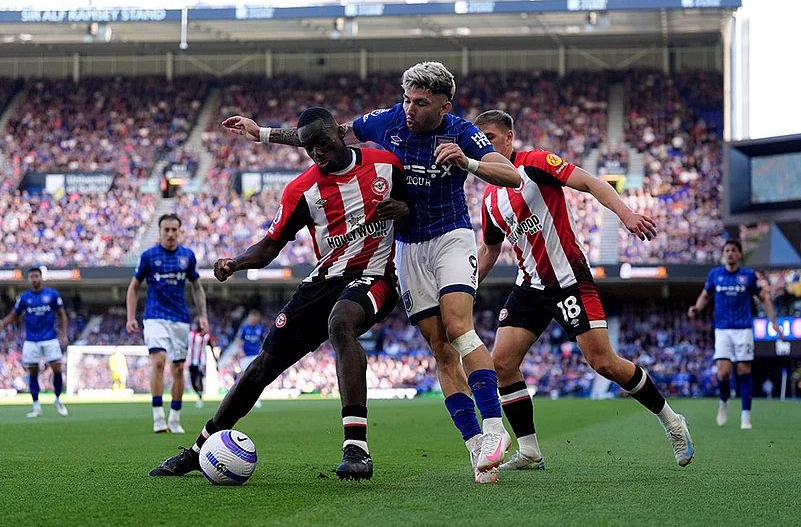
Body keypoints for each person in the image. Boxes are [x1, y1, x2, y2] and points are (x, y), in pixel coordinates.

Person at [223, 62, 522, 483]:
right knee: (440, 349)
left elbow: (511, 175)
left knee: (458, 327)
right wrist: (264, 134)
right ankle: (476, 447)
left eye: (421, 103)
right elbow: (329, 133)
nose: (411, 109)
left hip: (451, 236)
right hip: (408, 247)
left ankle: (493, 428)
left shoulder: (461, 132)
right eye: (408, 99)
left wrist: (467, 161)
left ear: (444, 106)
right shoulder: (386, 121)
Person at [149, 107, 409, 481]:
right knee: (260, 368)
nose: (316, 152)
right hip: (322, 283)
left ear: (339, 133)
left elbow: (417, 210)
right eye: (309, 147)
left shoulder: (386, 165)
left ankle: (356, 447)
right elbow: (270, 247)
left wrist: (403, 209)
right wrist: (236, 262)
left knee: (341, 323)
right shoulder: (302, 190)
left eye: (321, 143)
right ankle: (198, 449)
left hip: (375, 276)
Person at [474, 110, 695, 469]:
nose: (484, 146)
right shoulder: (488, 198)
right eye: (479, 140)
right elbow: (490, 250)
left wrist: (626, 214)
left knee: (603, 363)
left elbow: (591, 183)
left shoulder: (535, 163)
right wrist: (465, 287)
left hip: (569, 280)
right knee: (502, 363)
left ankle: (672, 421)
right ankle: (529, 451)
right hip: (529, 286)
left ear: (510, 137)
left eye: (491, 138)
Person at [126, 214, 209, 434]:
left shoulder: (188, 256)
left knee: (178, 368)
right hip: (154, 316)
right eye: (166, 230)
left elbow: (197, 287)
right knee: (158, 362)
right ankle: (158, 417)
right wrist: (130, 317)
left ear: (179, 232)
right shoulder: (148, 256)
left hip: (180, 318)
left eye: (174, 230)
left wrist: (203, 315)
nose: (170, 234)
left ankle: (174, 418)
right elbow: (134, 286)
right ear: (160, 231)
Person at [688, 239, 782, 430]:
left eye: (733, 250)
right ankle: (723, 403)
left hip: (743, 329)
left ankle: (745, 416)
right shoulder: (715, 274)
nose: (730, 253)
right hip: (722, 329)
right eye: (727, 250)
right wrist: (697, 307)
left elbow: (763, 298)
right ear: (724, 254)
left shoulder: (748, 276)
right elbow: (705, 295)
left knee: (744, 370)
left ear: (739, 254)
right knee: (723, 372)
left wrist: (773, 321)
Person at [0, 267, 69, 418]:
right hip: (31, 340)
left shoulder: (52, 294)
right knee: (33, 371)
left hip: (50, 338)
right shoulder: (24, 298)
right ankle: (36, 405)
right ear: (29, 279)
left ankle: (57, 399)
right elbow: (14, 314)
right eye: (32, 277)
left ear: (41, 277)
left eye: (36, 276)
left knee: (57, 369)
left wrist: (64, 335)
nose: (34, 279)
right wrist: (3, 323)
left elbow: (62, 315)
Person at [238, 310, 267, 408]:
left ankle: (255, 399)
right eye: (252, 317)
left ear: (257, 318)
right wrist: (240, 351)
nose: (253, 319)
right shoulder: (244, 328)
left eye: (255, 317)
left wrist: (261, 352)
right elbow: (239, 340)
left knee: (256, 377)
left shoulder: (260, 329)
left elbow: (264, 341)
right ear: (249, 318)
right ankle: (241, 397)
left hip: (255, 356)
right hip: (245, 356)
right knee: (244, 377)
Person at [188, 323, 213, 408]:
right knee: (193, 380)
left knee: (199, 378)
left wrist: (216, 361)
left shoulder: (207, 336)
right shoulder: (191, 334)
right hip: (192, 361)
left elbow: (211, 347)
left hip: (201, 361)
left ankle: (200, 397)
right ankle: (198, 394)